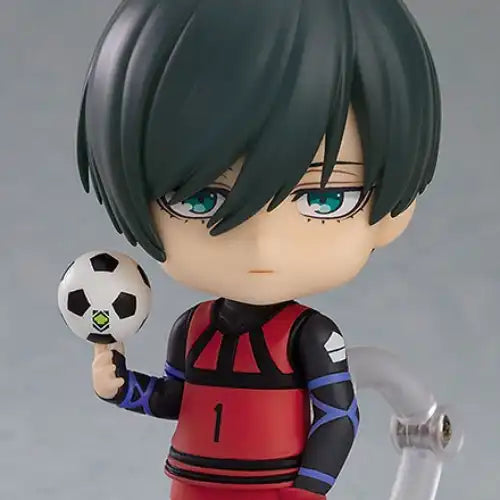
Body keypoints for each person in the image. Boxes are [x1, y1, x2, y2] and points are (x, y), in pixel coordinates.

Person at [78, 1, 441, 499]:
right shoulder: (193, 328)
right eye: (200, 198)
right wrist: (122, 389)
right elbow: (178, 399)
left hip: (273, 488)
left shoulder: (309, 336)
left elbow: (338, 416)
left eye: (325, 198)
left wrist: (307, 490)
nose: (262, 242)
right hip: (192, 482)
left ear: (393, 212)